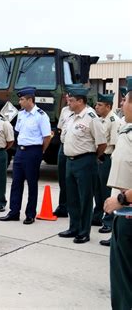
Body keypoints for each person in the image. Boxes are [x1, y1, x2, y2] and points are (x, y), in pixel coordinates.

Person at [58, 86, 106, 244]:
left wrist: (92, 158)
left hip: (85, 161)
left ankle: (84, 232)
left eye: (71, 100)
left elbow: (102, 144)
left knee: (85, 198)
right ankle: (74, 227)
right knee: (72, 198)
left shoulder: (91, 117)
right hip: (70, 161)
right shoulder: (71, 116)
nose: (69, 103)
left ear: (80, 101)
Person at [0, 87, 51, 224]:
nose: (20, 102)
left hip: (33, 151)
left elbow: (47, 137)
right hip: (20, 152)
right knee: (16, 183)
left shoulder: (41, 115)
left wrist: (41, 151)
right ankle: (14, 212)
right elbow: (18, 132)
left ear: (30, 100)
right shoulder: (21, 114)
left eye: (22, 99)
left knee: (32, 184)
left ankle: (30, 214)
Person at [103, 76, 132, 309]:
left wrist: (121, 199)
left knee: (125, 287)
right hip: (124, 217)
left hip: (128, 215)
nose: (121, 104)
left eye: (124, 100)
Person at [92, 93, 122, 237]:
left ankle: (108, 220)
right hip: (99, 157)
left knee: (105, 190)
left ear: (108, 106)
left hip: (108, 157)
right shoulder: (100, 120)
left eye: (100, 105)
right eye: (96, 104)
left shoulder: (113, 120)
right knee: (97, 188)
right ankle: (97, 216)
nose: (96, 107)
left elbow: (115, 144)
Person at [53, 84, 85, 218]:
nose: (67, 97)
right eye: (67, 95)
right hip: (64, 147)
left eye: (70, 95)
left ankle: (78, 209)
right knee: (63, 179)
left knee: (77, 182)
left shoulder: (87, 114)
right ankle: (63, 206)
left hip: (77, 149)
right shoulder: (65, 111)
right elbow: (61, 128)